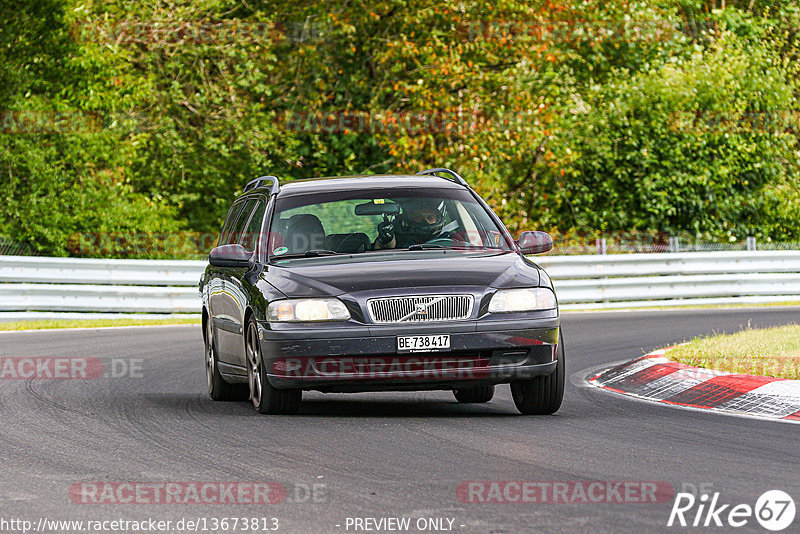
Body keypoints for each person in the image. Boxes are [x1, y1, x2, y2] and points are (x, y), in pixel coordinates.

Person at [374, 198, 446, 249]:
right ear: (410, 218)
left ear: (437, 220)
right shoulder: (398, 239)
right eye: (418, 217)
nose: (424, 221)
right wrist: (385, 240)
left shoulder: (446, 239)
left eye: (430, 218)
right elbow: (381, 253)